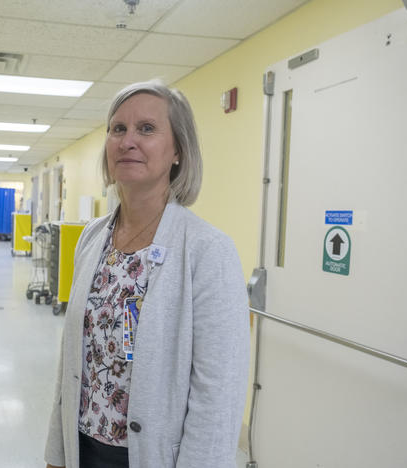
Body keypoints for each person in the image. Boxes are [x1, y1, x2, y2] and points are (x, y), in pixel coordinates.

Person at [44, 80, 249, 468]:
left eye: (147, 129)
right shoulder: (92, 238)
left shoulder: (207, 250)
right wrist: (58, 452)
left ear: (177, 151)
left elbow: (218, 395)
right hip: (82, 449)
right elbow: (72, 359)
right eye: (118, 129)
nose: (127, 141)